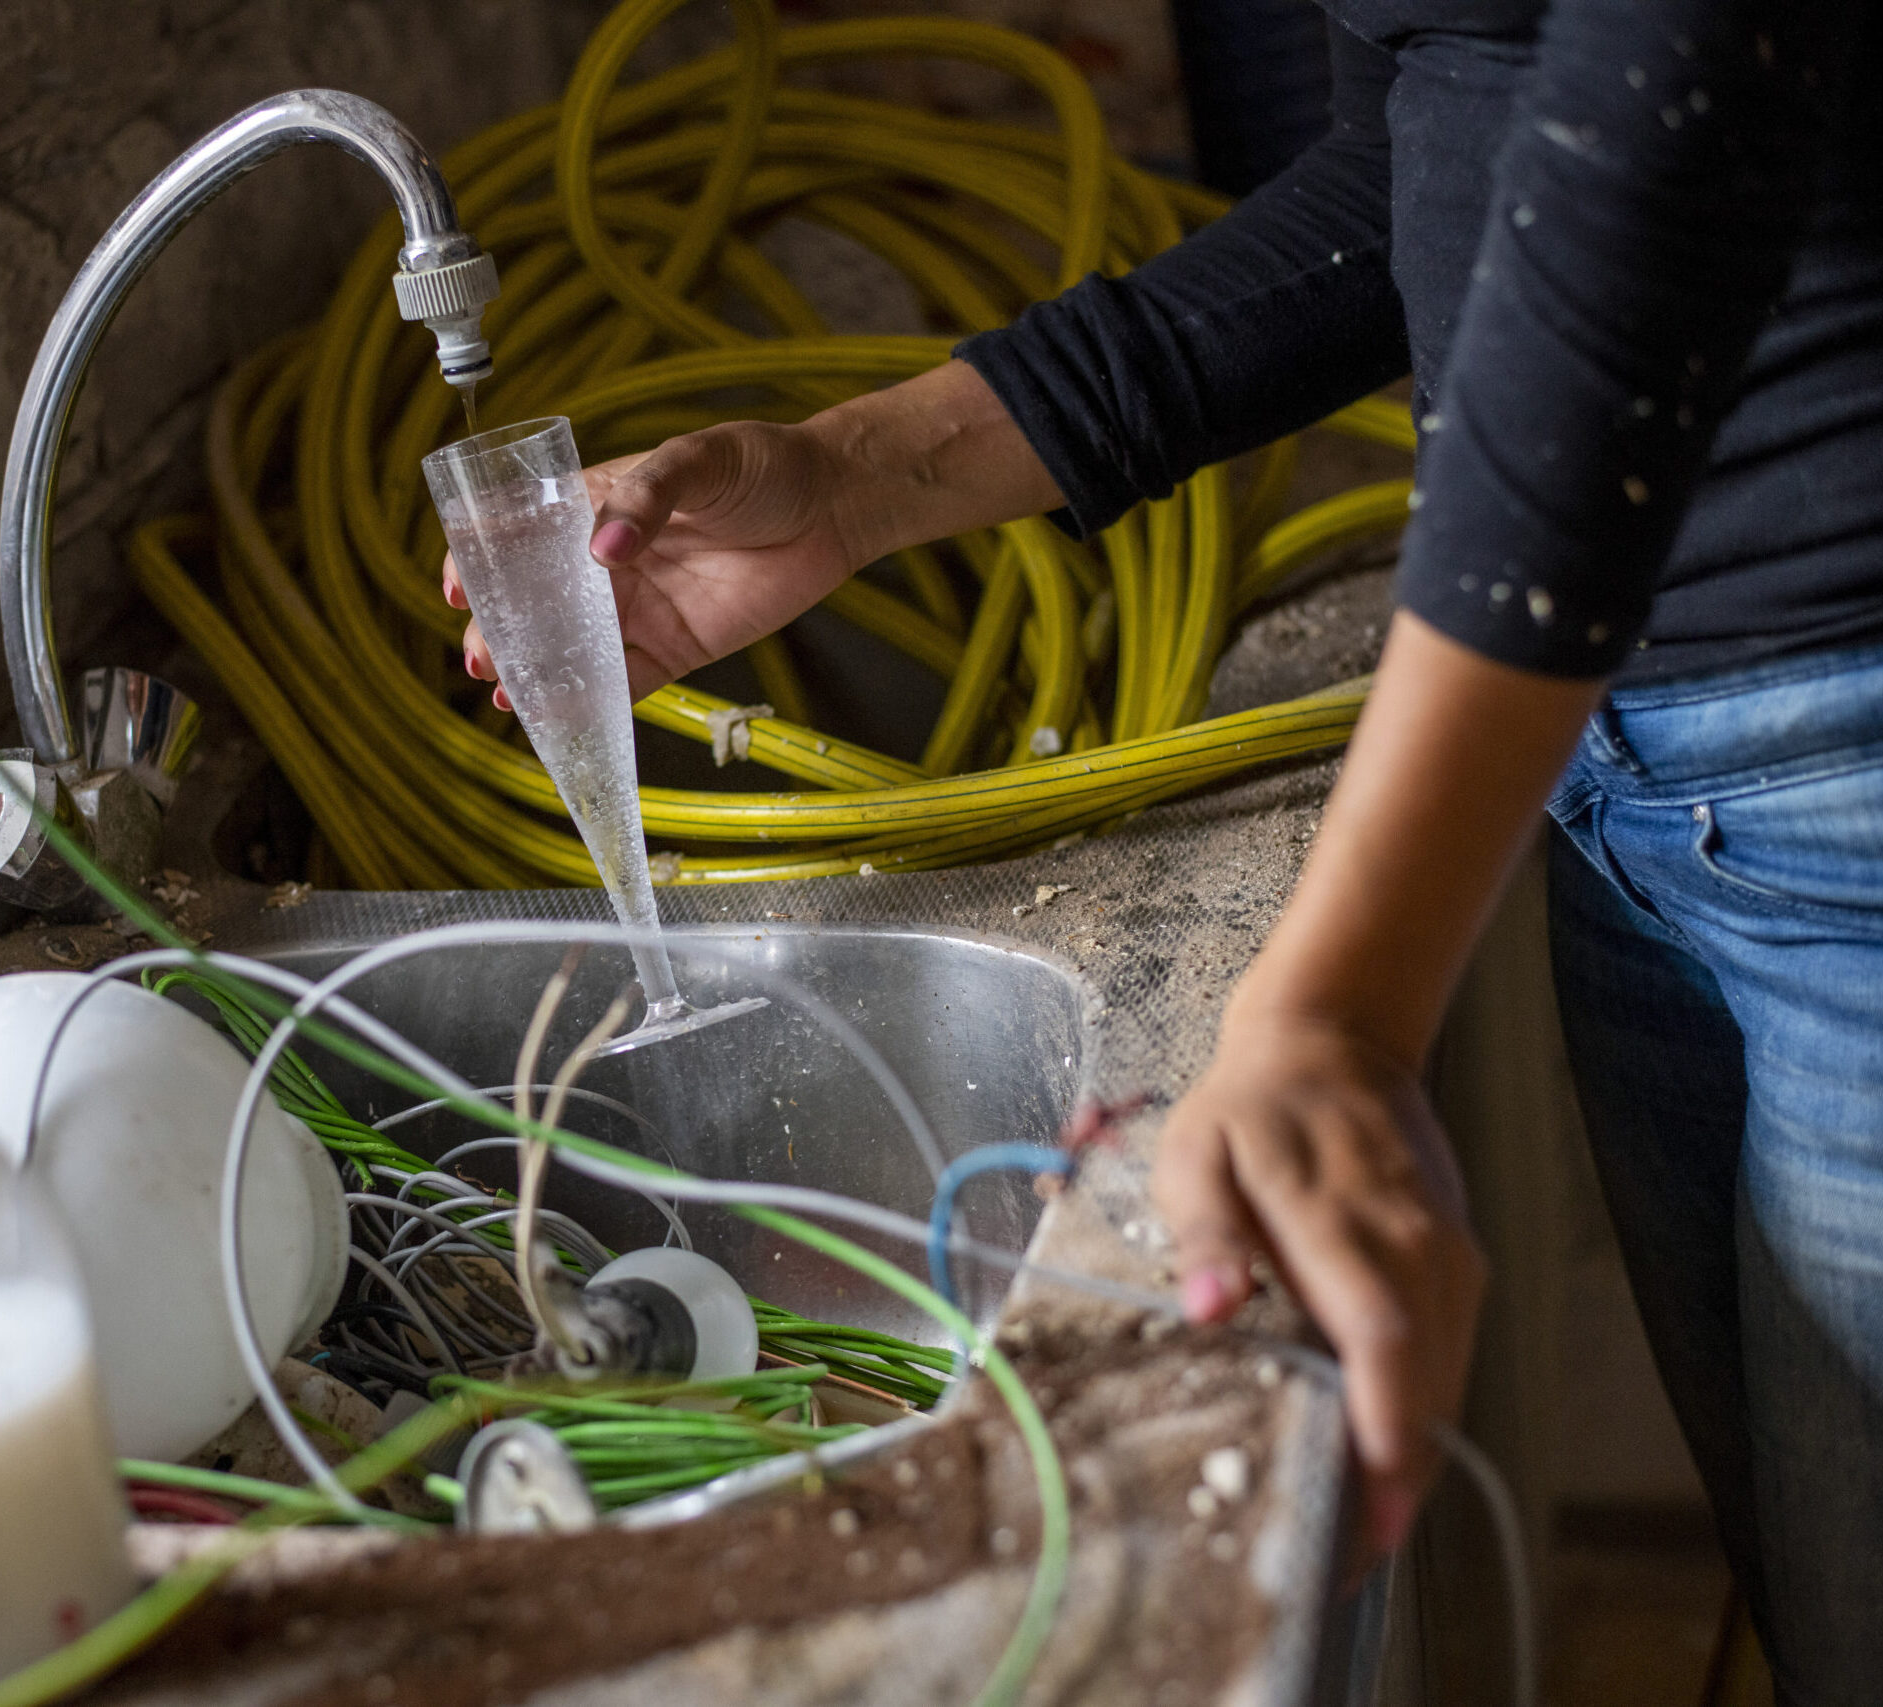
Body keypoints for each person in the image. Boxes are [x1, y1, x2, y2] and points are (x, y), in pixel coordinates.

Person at [448, 0, 1880, 1689]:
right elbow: (1423, 151)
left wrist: (1336, 1014)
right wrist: (850, 481)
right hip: (1624, 762)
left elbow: (1662, 146)